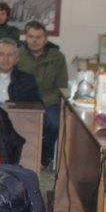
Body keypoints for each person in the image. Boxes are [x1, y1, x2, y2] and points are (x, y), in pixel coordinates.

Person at [14, 20, 69, 164]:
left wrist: (43, 102)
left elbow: (62, 86)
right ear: (26, 38)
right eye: (31, 36)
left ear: (45, 39)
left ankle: (45, 153)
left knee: (54, 123)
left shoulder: (57, 57)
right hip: (24, 101)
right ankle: (21, 156)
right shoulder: (17, 55)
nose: (34, 40)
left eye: (38, 37)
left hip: (49, 101)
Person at [0, 38, 43, 106]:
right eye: (1, 54)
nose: (5, 59)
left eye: (10, 55)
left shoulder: (27, 80)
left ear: (16, 59)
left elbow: (37, 106)